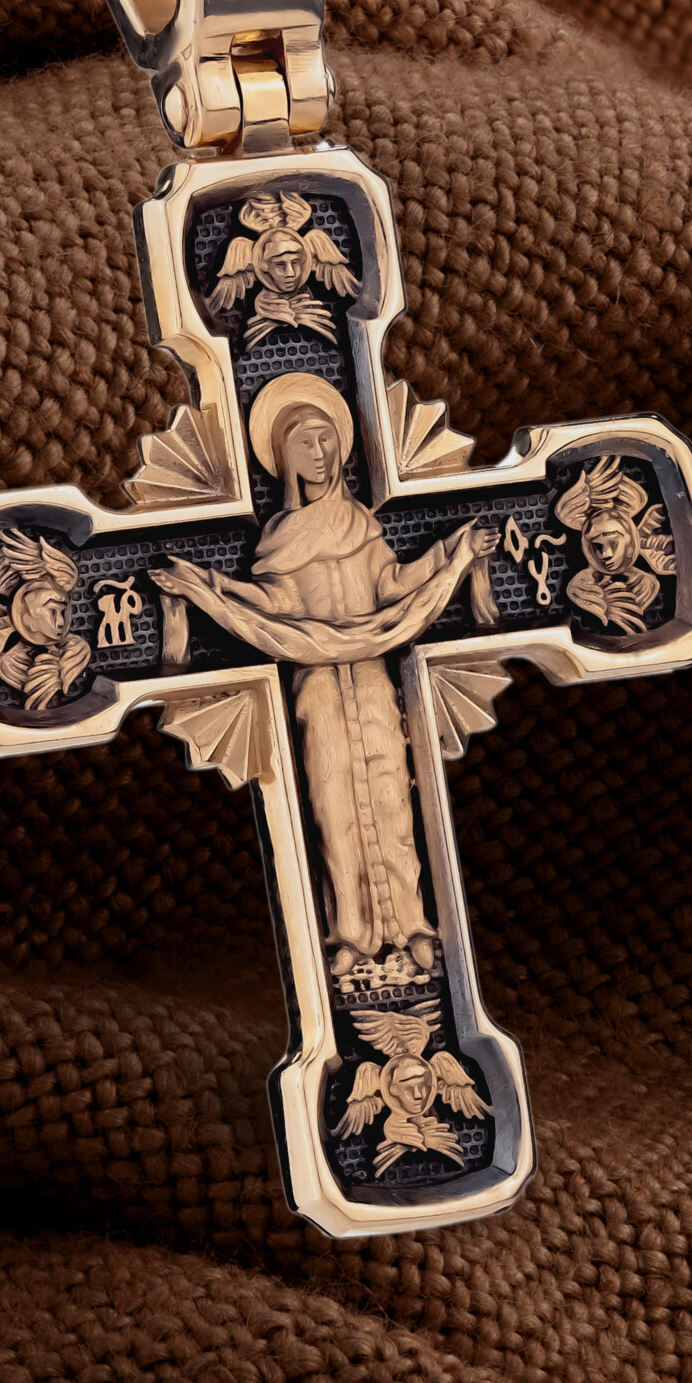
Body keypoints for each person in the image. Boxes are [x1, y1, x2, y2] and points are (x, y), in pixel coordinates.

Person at [150, 374, 497, 975]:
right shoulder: (280, 534)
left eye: (327, 438)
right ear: (282, 456)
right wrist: (206, 587)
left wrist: (452, 553)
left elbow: (391, 586)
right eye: (305, 442)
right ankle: (350, 935)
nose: (319, 452)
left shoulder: (361, 521)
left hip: (373, 671)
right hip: (314, 681)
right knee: (332, 803)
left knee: (393, 797)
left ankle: (413, 925)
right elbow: (276, 605)